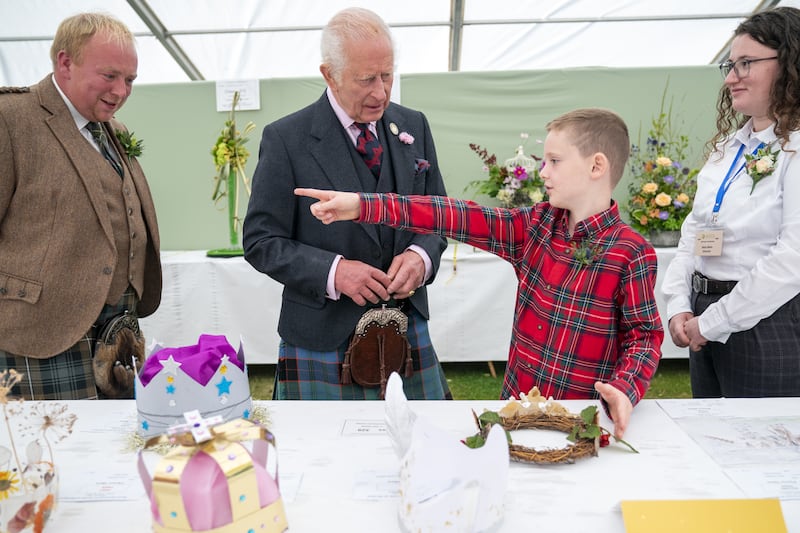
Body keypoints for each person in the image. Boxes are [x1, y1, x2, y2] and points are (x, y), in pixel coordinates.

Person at [296, 107, 663, 438]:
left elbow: (644, 336)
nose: (543, 170)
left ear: (596, 166)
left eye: (554, 160)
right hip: (514, 415)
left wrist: (625, 387)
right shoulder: (533, 227)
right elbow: (453, 214)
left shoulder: (631, 252)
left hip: (580, 423)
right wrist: (362, 205)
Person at [242, 7, 451, 400]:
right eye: (366, 79)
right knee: (317, 459)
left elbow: (438, 218)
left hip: (406, 331)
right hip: (321, 337)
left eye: (387, 75)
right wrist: (334, 273)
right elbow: (260, 241)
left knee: (421, 453)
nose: (381, 92)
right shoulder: (286, 139)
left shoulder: (414, 126)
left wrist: (420, 257)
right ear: (329, 74)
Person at [0, 13, 162, 400]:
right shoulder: (10, 119)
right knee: (51, 454)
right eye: (110, 76)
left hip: (118, 332)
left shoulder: (114, 130)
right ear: (65, 62)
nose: (121, 91)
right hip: (38, 333)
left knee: (115, 448)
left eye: (130, 80)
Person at [662, 6, 800, 398]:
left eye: (745, 63)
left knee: (763, 452)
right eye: (729, 64)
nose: (731, 77)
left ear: (790, 64)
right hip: (705, 315)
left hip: (768, 321)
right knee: (710, 443)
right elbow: (695, 231)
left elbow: (792, 260)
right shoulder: (728, 147)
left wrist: (715, 320)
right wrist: (678, 304)